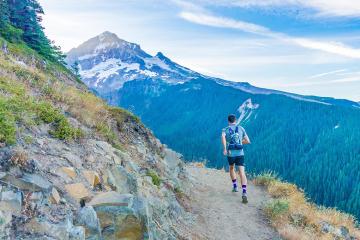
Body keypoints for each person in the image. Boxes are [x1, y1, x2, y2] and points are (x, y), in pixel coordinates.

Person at [221, 114, 251, 203]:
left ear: (228, 121)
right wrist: (240, 142)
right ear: (236, 120)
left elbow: (223, 137)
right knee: (242, 172)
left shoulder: (225, 130)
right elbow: (248, 141)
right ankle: (244, 192)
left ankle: (235, 186)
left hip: (231, 153)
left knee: (231, 168)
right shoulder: (241, 128)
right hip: (240, 153)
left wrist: (225, 148)